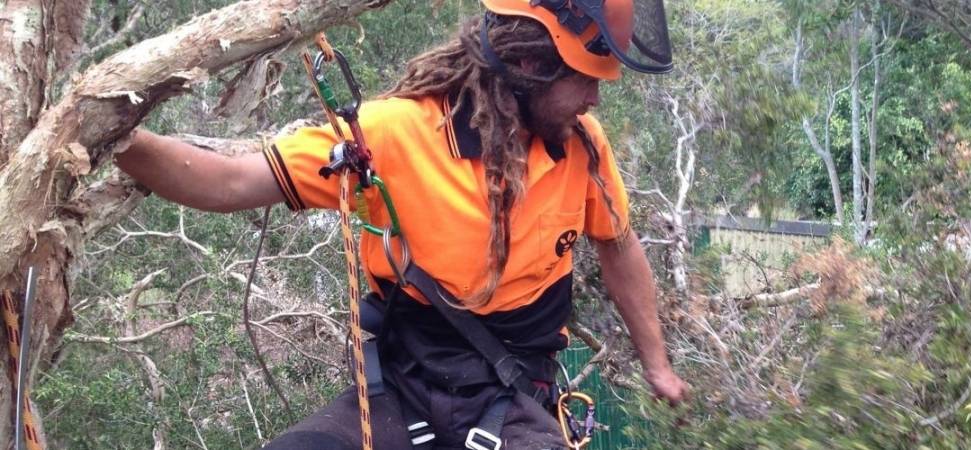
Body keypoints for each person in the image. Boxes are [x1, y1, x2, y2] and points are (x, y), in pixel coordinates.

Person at [115, 0, 687, 448]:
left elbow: (618, 245)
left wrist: (657, 366)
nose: (594, 98)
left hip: (515, 393)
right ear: (531, 67)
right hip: (405, 387)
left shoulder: (582, 149)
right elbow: (229, 182)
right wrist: (114, 134)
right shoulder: (394, 134)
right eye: (584, 80)